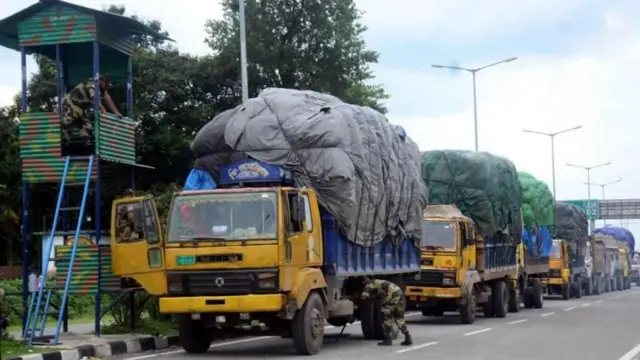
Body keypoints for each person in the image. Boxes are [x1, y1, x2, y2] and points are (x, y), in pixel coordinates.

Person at [61, 75, 123, 148]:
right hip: (71, 103)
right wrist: (102, 108)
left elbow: (107, 98)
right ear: (101, 81)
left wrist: (116, 112)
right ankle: (64, 142)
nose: (106, 87)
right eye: (105, 85)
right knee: (68, 121)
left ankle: (87, 143)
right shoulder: (92, 83)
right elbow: (95, 98)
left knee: (87, 125)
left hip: (81, 107)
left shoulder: (101, 88)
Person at [360, 277, 413, 346]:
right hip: (400, 293)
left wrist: (358, 299)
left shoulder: (370, 283)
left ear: (364, 282)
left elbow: (364, 296)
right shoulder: (378, 282)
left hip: (393, 295)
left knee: (386, 317)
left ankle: (388, 339)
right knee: (398, 317)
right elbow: (379, 294)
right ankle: (408, 337)